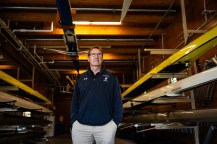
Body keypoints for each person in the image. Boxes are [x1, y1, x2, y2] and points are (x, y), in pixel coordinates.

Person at [70, 46, 123, 144]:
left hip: (106, 126)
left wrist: (115, 122)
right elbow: (75, 102)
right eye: (93, 54)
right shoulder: (80, 79)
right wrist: (74, 121)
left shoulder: (111, 78)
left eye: (99, 54)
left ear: (102, 58)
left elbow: (118, 101)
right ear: (88, 58)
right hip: (81, 127)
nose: (96, 56)